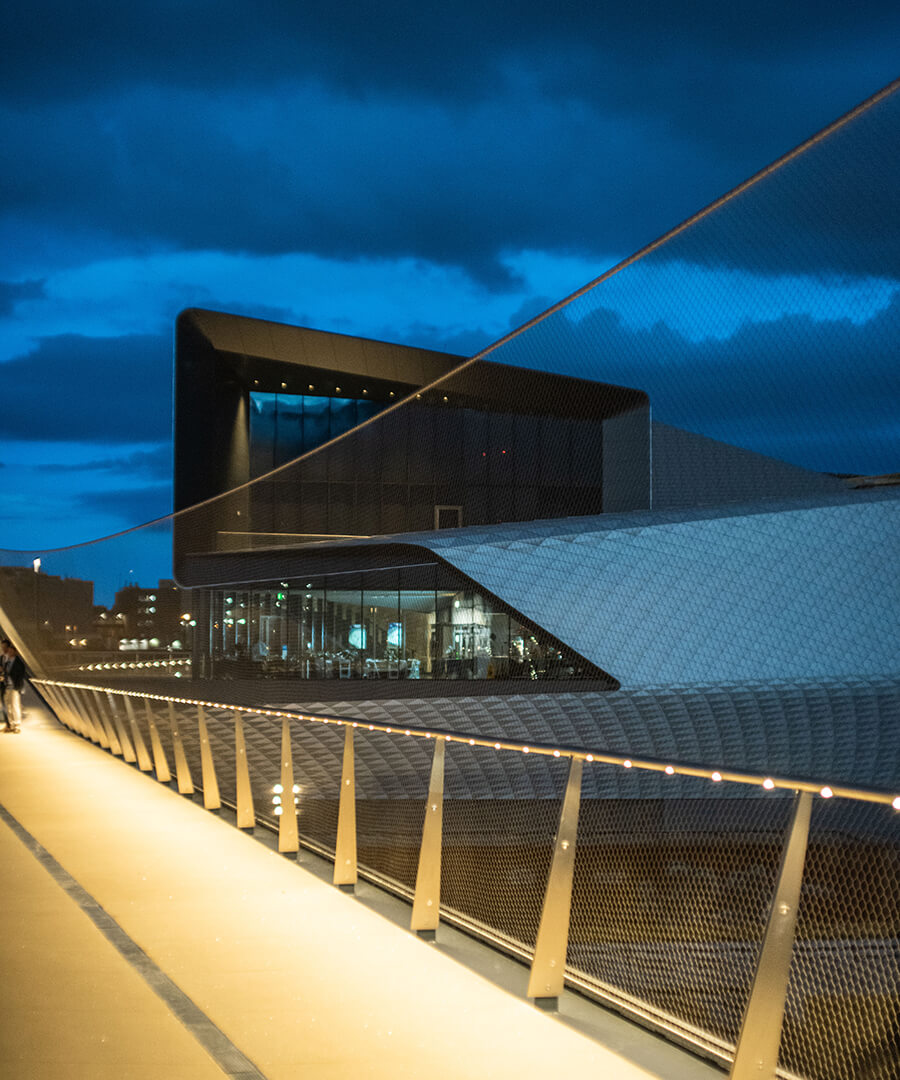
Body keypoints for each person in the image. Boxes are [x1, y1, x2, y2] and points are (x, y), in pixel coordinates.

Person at [1, 639, 26, 734]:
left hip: (14, 687)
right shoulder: (8, 662)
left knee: (15, 706)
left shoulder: (18, 663)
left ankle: (17, 725)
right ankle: (11, 725)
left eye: (11, 651)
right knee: (8, 707)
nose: (9, 652)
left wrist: (18, 687)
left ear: (15, 652)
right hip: (7, 686)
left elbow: (20, 675)